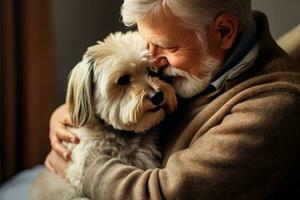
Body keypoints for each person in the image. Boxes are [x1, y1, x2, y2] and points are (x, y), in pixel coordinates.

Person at [45, 0, 300, 199]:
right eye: (147, 43)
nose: (154, 62)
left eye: (168, 46)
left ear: (224, 31)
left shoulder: (271, 108)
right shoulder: (199, 64)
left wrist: (81, 168)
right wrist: (70, 114)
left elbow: (163, 194)